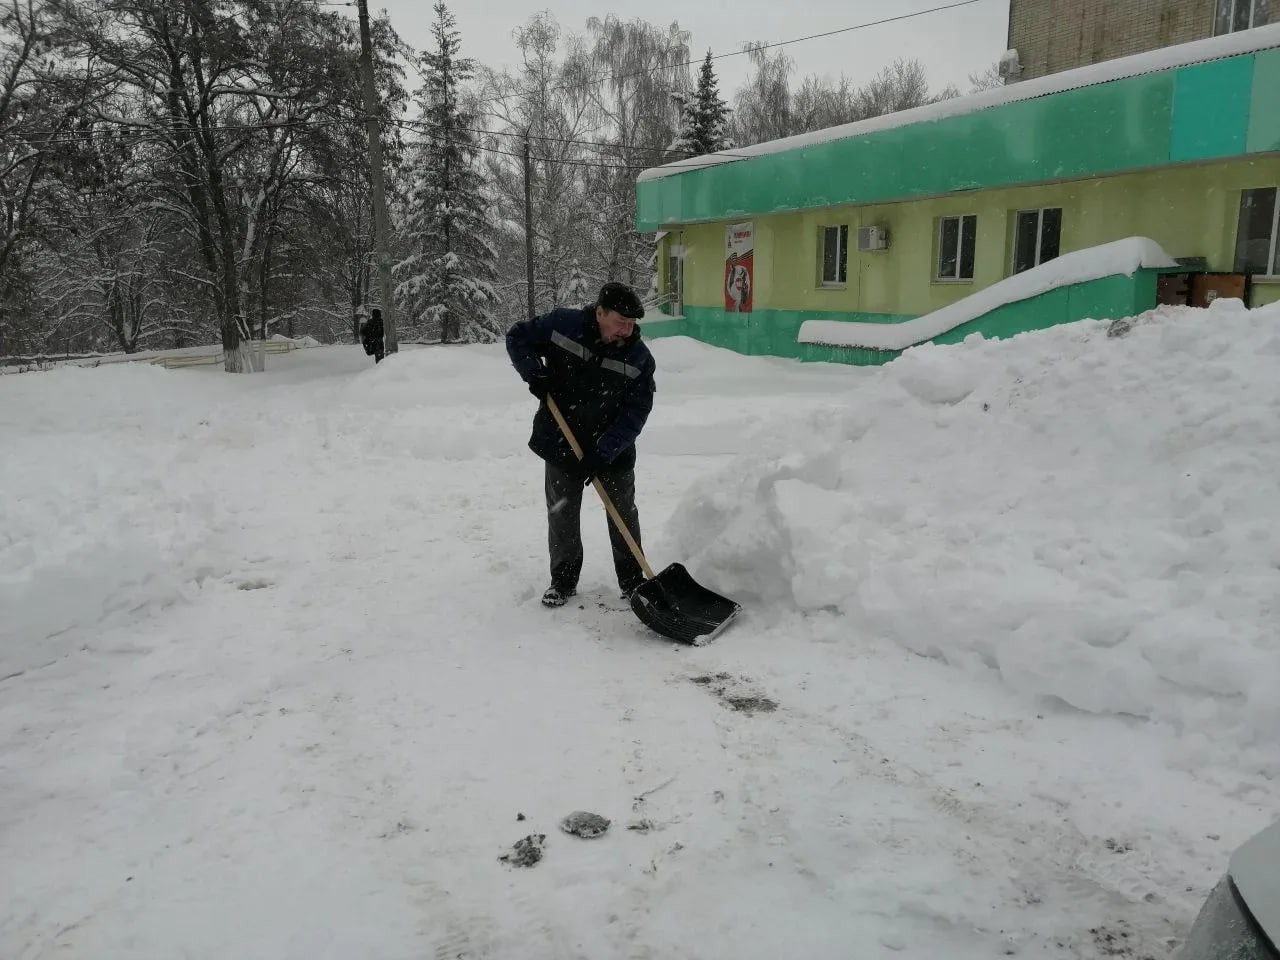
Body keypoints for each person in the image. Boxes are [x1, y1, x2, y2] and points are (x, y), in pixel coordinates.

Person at [506, 281, 656, 608]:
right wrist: (534, 374)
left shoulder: (639, 358)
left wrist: (604, 451)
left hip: (612, 448)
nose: (627, 330)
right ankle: (563, 580)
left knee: (622, 512)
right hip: (562, 438)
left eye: (632, 323)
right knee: (562, 512)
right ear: (600, 312)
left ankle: (633, 581)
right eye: (620, 322)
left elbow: (637, 411)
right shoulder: (564, 326)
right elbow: (518, 336)